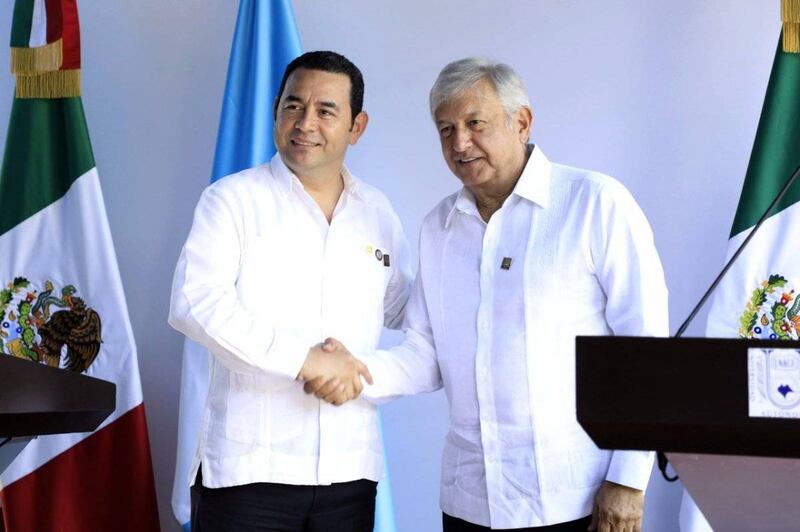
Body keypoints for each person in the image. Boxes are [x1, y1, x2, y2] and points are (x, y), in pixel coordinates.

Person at [306, 58, 669, 532]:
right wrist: (355, 373)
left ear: (522, 122)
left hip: (576, 498)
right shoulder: (439, 227)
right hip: (470, 500)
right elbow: (425, 353)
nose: (460, 143)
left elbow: (646, 349)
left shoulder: (594, 203)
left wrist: (629, 479)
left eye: (475, 123)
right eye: (446, 129)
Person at [168, 50, 412, 532]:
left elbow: (407, 310)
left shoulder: (377, 211)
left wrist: (366, 374)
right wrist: (306, 361)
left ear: (357, 127)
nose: (305, 123)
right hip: (249, 474)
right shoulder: (232, 200)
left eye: (326, 110)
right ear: (276, 112)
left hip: (350, 472)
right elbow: (195, 303)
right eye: (293, 106)